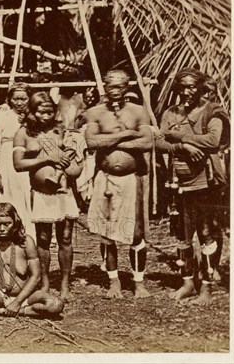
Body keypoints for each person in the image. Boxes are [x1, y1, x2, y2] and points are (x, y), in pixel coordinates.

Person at [156, 68, 229, 305]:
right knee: (183, 234)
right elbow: (158, 140)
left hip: (206, 182)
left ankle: (206, 287)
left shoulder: (211, 112)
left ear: (200, 88)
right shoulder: (171, 112)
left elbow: (213, 140)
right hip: (178, 181)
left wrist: (180, 136)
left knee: (207, 232)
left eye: (192, 87)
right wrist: (181, 148)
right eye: (182, 87)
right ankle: (187, 282)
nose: (187, 92)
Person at [84, 69, 153, 299]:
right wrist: (126, 135)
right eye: (110, 86)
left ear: (127, 87)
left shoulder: (137, 111)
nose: (115, 91)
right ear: (104, 86)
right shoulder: (94, 113)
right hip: (105, 179)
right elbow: (92, 141)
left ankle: (139, 283)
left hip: (131, 180)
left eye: (119, 86)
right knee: (107, 232)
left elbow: (147, 142)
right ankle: (113, 282)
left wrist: (112, 143)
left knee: (134, 232)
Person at [13, 91, 84, 301]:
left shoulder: (59, 130)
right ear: (32, 112)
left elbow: (73, 155)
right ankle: (44, 282)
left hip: (64, 191)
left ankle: (64, 284)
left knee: (65, 238)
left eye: (49, 111)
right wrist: (45, 159)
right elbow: (18, 164)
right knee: (43, 238)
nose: (45, 115)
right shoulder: (23, 133)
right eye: (40, 111)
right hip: (42, 193)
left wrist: (65, 161)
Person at [0, 203, 64, 317]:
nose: (2, 229)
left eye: (7, 224)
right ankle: (17, 310)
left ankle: (2, 311)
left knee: (56, 305)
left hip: (26, 297)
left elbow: (36, 276)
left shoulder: (26, 242)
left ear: (15, 223)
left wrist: (17, 303)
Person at [0, 83, 32, 229]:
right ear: (9, 99)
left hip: (29, 158)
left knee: (30, 191)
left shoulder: (34, 117)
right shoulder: (3, 116)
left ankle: (32, 231)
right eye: (15, 99)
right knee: (13, 194)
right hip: (7, 160)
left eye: (23, 99)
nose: (19, 103)